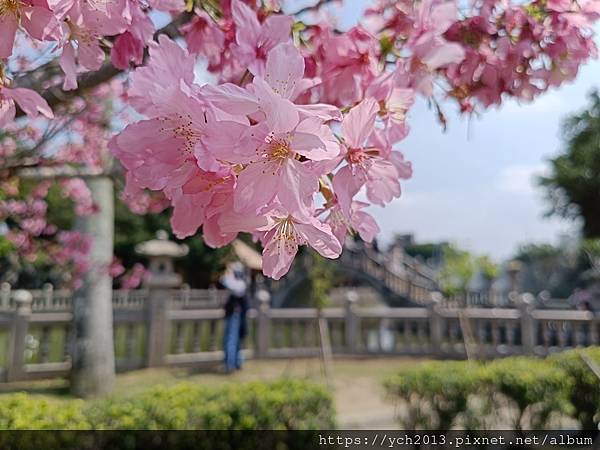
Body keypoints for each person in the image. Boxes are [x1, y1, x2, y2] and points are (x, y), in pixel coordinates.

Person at [220, 262, 248, 373]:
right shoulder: (239, 282)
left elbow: (228, 283)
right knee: (232, 339)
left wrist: (228, 274)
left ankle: (231, 364)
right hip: (233, 314)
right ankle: (234, 362)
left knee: (232, 339)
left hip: (235, 316)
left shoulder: (241, 283)